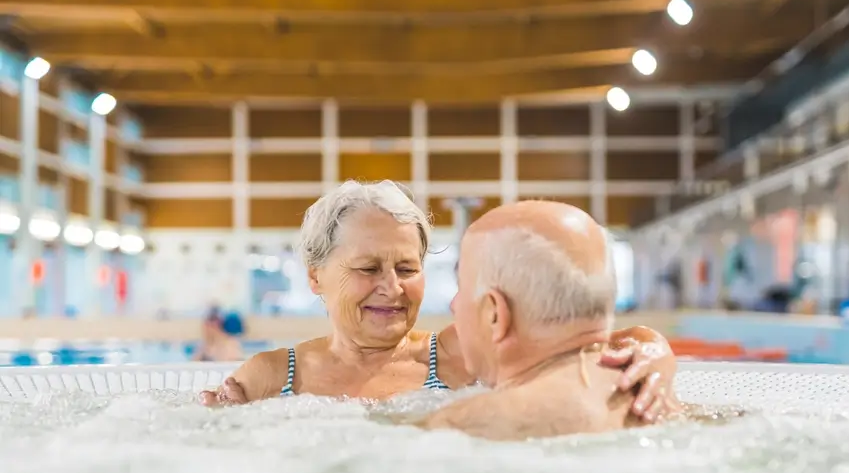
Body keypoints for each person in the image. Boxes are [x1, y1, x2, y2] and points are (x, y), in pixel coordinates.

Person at [200, 180, 678, 422]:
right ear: (315, 278)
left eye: (407, 269)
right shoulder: (272, 376)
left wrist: (654, 352)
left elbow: (580, 340)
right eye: (368, 269)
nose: (393, 287)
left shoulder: (455, 357)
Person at [415, 201, 681, 441]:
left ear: (494, 313)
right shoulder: (659, 403)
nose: (454, 304)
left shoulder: (462, 427)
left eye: (461, 287)